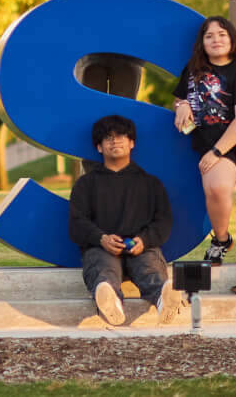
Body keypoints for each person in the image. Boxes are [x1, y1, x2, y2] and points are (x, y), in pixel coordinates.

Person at [174, 16, 236, 295]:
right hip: (212, 140)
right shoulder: (193, 70)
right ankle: (221, 239)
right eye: (209, 36)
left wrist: (218, 151)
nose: (216, 39)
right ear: (202, 43)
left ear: (232, 40)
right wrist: (181, 103)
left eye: (222, 34)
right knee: (218, 187)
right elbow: (180, 97)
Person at [69, 113, 182, 327]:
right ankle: (110, 301)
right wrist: (101, 238)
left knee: (150, 267)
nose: (115, 141)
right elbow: (76, 222)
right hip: (101, 247)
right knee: (104, 270)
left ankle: (164, 299)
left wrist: (144, 240)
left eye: (121, 136)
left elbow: (163, 221)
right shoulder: (85, 185)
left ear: (132, 143)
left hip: (141, 247)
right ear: (99, 147)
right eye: (108, 137)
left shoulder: (151, 184)